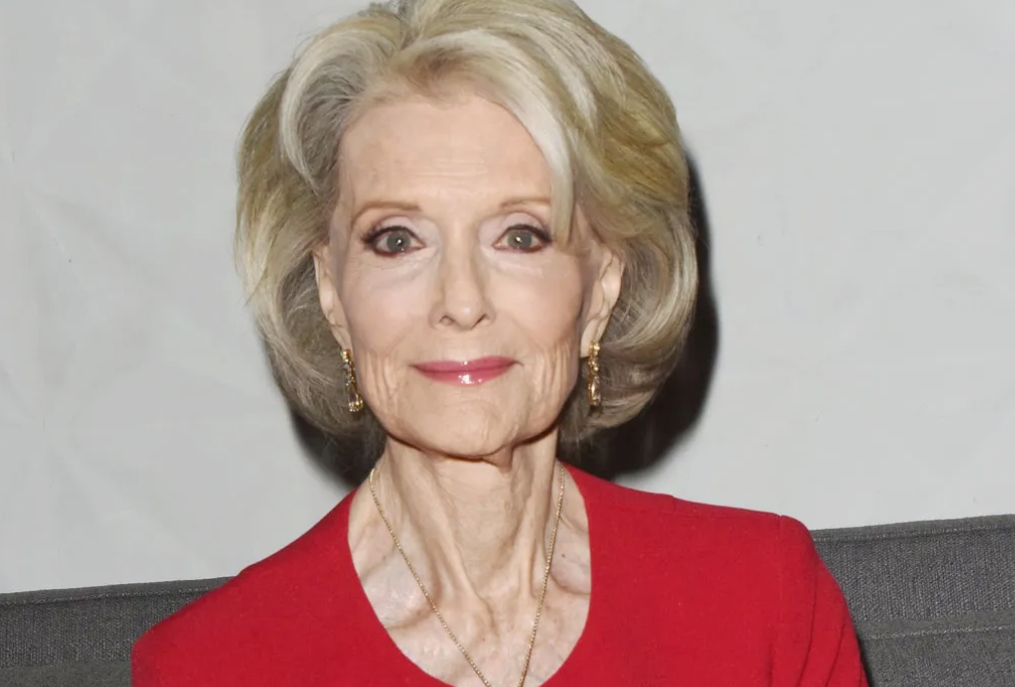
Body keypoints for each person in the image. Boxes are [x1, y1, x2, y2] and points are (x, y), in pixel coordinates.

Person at [131, 0, 869, 684]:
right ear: (332, 292)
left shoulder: (763, 604)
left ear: (600, 286)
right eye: (397, 239)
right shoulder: (210, 666)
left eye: (520, 236)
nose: (461, 301)